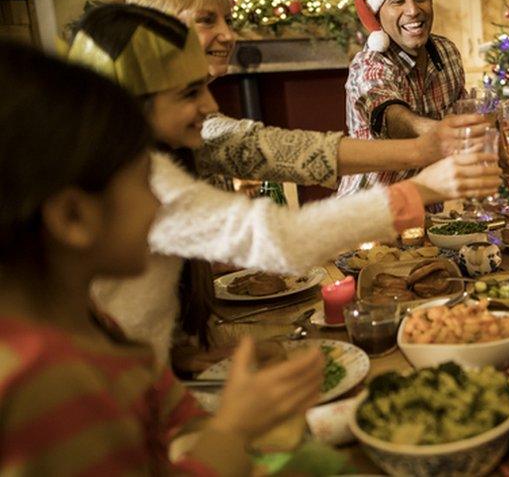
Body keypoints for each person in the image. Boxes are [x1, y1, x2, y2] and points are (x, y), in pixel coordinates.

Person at [72, 4, 500, 367]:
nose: (211, 105)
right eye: (189, 93)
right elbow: (282, 240)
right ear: (125, 103)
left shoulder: (138, 162)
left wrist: (188, 356)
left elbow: (136, 320)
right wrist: (421, 190)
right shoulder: (141, 183)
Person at [0, 41, 324, 474]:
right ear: (74, 216)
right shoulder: (47, 383)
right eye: (144, 182)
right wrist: (232, 430)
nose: (160, 204)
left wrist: (221, 399)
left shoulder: (91, 321)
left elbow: (166, 408)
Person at [126, 0, 480, 193]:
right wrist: (423, 149)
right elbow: (279, 150)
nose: (229, 35)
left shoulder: (445, 51)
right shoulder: (127, 131)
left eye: (229, 21)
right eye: (207, 20)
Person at [337, 0, 474, 195]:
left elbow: (463, 110)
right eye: (397, 1)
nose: (413, 10)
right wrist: (437, 132)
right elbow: (391, 116)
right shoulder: (369, 64)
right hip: (370, 212)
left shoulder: (447, 52)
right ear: (379, 13)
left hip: (427, 206)